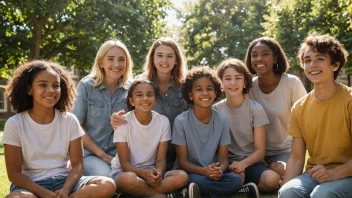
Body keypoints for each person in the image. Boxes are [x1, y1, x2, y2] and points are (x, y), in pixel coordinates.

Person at [1, 60, 115, 198]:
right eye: (43, 85)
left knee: (107, 184)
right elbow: (14, 174)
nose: (51, 90)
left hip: (66, 181)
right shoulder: (15, 124)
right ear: (29, 89)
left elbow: (78, 165)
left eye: (56, 86)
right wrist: (44, 193)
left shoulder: (70, 120)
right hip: (32, 185)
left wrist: (66, 190)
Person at [279, 33, 352, 198]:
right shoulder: (299, 107)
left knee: (322, 195)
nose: (312, 65)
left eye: (320, 59)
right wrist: (283, 189)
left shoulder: (350, 100)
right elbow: (297, 157)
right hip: (316, 174)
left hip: (348, 174)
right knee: (288, 192)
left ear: (335, 65)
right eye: (307, 60)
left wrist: (334, 174)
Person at [110, 37, 188, 171]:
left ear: (176, 60)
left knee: (179, 177)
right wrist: (115, 118)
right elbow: (124, 113)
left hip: (177, 152)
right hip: (145, 155)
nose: (164, 60)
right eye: (160, 56)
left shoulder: (184, 86)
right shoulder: (139, 83)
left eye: (169, 56)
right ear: (153, 58)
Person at [172, 66, 243, 198]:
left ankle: (196, 192)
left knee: (236, 179)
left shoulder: (221, 119)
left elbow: (224, 159)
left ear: (215, 93)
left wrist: (219, 171)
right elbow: (182, 162)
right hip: (191, 172)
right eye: (199, 89)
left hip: (213, 173)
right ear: (190, 95)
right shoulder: (181, 121)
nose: (205, 93)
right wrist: (204, 171)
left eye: (209, 89)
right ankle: (224, 192)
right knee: (192, 180)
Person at [110, 79, 188, 197]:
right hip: (126, 172)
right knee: (129, 180)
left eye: (150, 95)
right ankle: (164, 195)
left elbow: (161, 159)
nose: (145, 98)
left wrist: (158, 174)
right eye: (139, 95)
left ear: (155, 100)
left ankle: (144, 194)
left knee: (182, 176)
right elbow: (125, 164)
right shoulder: (123, 122)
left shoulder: (163, 121)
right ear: (131, 101)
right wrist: (144, 174)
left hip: (152, 171)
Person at [214, 58, 281, 193]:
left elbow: (260, 151)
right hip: (225, 163)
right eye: (228, 78)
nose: (233, 83)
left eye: (238, 78)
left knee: (273, 180)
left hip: (251, 162)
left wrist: (243, 164)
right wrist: (229, 166)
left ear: (244, 82)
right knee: (233, 177)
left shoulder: (255, 109)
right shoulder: (215, 110)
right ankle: (241, 186)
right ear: (221, 83)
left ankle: (244, 188)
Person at [244, 37, 307, 177]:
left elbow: (307, 119)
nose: (259, 58)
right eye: (254, 55)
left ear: (275, 59)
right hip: (256, 152)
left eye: (265, 54)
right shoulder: (248, 88)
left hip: (286, 150)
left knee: (281, 169)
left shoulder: (291, 83)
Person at [72, 39, 133, 176]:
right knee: (106, 176)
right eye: (110, 59)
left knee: (131, 179)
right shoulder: (86, 86)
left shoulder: (132, 89)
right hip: (90, 155)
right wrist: (103, 156)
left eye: (121, 59)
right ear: (101, 62)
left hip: (121, 156)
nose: (116, 64)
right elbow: (76, 126)